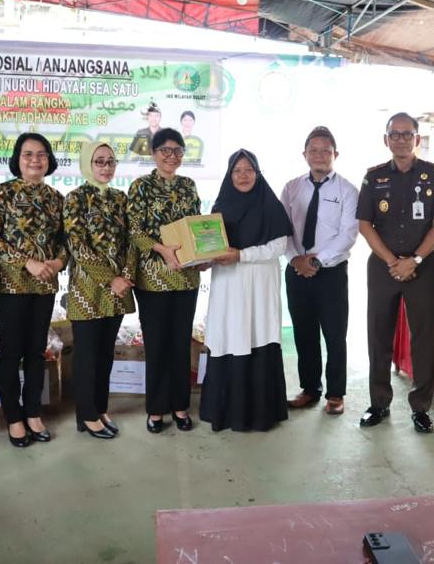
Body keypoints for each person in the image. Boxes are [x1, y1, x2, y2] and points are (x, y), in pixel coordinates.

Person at [356, 112, 434, 433]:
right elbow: (365, 225)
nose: (400, 139)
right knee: (378, 335)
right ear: (386, 140)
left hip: (422, 268)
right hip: (383, 267)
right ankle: (379, 403)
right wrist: (392, 261)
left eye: (406, 133)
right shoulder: (373, 178)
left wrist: (414, 260)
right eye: (394, 134)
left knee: (423, 337)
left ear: (417, 139)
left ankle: (421, 408)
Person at [0, 133, 67, 448]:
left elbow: (64, 241)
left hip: (45, 284)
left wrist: (59, 261)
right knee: (12, 351)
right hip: (12, 285)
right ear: (17, 159)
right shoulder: (1, 194)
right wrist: (26, 262)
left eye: (41, 154)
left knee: (36, 350)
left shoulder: (56, 198)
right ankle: (14, 417)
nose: (35, 160)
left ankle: (33, 412)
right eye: (29, 154)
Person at [200, 149, 293, 431]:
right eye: (237, 171)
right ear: (230, 175)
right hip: (228, 286)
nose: (243, 176)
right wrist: (202, 260)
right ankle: (227, 412)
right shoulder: (220, 207)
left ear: (257, 173)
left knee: (257, 335)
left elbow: (279, 246)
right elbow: (211, 248)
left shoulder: (270, 205)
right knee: (231, 335)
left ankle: (261, 414)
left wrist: (241, 255)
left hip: (260, 285)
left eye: (248, 170)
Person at [127, 128, 202, 433]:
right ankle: (156, 409)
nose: (171, 157)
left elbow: (196, 226)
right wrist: (160, 247)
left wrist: (205, 253)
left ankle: (180, 406)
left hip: (186, 277)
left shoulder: (188, 185)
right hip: (153, 278)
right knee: (157, 344)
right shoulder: (141, 186)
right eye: (165, 151)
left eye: (177, 151)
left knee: (180, 344)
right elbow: (134, 230)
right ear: (154, 153)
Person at [280, 126, 359, 415]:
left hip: (331, 274)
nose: (320, 155)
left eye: (326, 150)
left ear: (335, 154)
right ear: (304, 154)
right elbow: (283, 230)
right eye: (313, 150)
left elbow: (348, 234)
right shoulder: (291, 188)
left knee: (335, 335)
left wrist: (316, 261)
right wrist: (294, 259)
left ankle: (335, 394)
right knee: (304, 333)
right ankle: (310, 389)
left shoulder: (348, 190)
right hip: (297, 271)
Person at [64, 141, 135, 440]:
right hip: (87, 289)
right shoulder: (75, 199)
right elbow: (77, 246)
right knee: (87, 355)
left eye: (110, 161)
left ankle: (100, 408)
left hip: (117, 290)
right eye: (99, 161)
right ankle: (87, 415)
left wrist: (127, 275)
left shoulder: (121, 199)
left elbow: (132, 241)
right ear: (87, 164)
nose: (106, 167)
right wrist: (111, 279)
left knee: (106, 354)